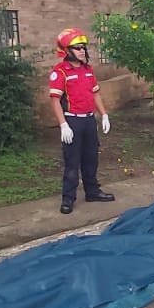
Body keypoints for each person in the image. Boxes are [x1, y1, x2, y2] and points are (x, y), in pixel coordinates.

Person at [48, 28, 115, 214]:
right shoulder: (60, 72)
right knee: (72, 162)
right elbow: (55, 101)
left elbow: (95, 94)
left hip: (88, 120)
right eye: (77, 48)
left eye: (83, 47)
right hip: (72, 121)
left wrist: (104, 114)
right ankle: (68, 199)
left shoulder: (88, 69)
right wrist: (63, 125)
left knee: (91, 159)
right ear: (66, 51)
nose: (82, 51)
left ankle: (92, 191)